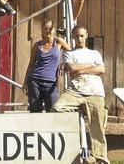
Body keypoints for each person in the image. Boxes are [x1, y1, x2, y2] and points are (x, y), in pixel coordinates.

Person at [52, 26, 108, 164]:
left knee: (97, 126)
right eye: (77, 36)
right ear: (73, 37)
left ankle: (99, 157)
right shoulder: (69, 53)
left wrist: (81, 70)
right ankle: (72, 146)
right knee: (57, 108)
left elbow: (101, 69)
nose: (80, 39)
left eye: (82, 36)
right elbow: (71, 68)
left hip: (95, 91)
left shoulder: (95, 53)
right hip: (76, 91)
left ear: (87, 36)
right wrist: (90, 67)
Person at [22, 20, 70, 112]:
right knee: (35, 111)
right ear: (42, 30)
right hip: (35, 81)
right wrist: (25, 82)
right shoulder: (37, 45)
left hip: (51, 82)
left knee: (53, 110)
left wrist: (64, 62)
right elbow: (31, 64)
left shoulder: (58, 42)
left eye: (50, 28)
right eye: (46, 28)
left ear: (54, 30)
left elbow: (72, 54)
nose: (48, 31)